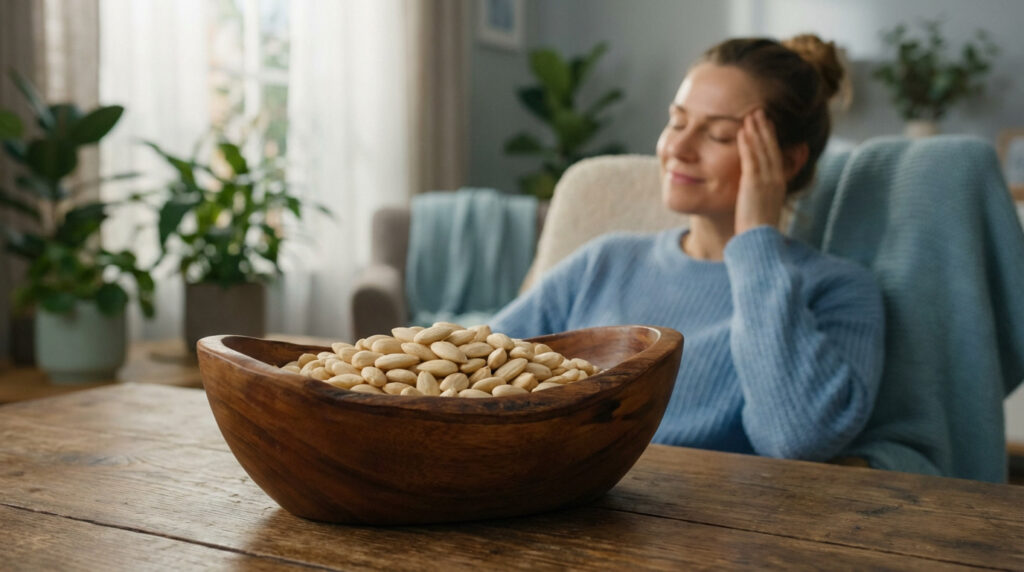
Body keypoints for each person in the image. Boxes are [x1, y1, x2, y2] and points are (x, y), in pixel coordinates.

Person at [489, 35, 885, 462]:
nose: (678, 149)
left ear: (787, 162)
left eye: (718, 135)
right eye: (677, 123)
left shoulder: (840, 290)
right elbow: (469, 372)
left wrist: (755, 242)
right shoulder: (604, 260)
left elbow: (795, 440)